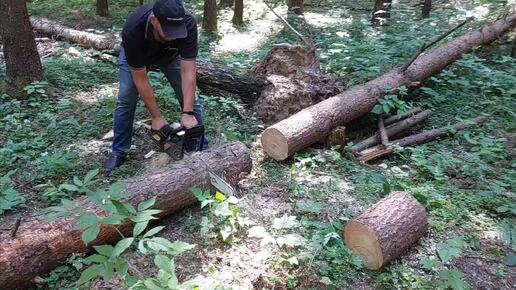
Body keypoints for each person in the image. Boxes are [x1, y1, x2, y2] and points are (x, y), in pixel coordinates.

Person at [104, 0, 208, 174]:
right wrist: (156, 117)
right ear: (154, 21)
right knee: (126, 97)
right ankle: (119, 151)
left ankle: (201, 147)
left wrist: (188, 112)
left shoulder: (188, 23)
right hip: (138, 53)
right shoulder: (133, 30)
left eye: (176, 32)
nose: (173, 37)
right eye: (168, 32)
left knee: (191, 100)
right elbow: (141, 78)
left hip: (171, 57)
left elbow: (189, 70)